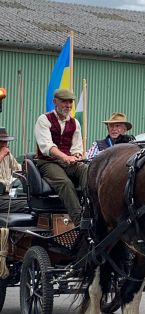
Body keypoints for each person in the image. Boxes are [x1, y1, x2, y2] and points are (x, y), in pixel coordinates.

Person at [34, 88, 87, 226]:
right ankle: (79, 220)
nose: (68, 105)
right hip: (47, 162)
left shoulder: (75, 123)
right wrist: (65, 157)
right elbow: (47, 146)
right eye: (64, 102)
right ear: (55, 102)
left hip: (67, 161)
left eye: (70, 102)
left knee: (87, 170)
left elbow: (76, 147)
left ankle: (92, 210)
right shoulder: (44, 119)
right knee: (65, 183)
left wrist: (77, 155)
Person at [0, 127, 28, 213]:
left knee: (31, 202)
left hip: (5, 196)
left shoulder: (7, 155)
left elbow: (18, 169)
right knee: (27, 205)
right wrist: (1, 155)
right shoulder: (3, 153)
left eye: (6, 141)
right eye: (2, 141)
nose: (5, 144)